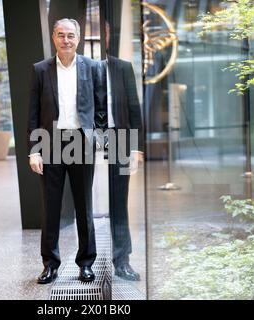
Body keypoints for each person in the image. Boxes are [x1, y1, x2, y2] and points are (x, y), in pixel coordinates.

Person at [28, 18, 106, 284]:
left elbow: (101, 109)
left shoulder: (93, 68)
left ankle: (86, 263)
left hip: (81, 143)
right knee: (51, 208)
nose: (66, 40)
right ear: (54, 38)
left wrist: (98, 138)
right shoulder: (41, 70)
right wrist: (34, 151)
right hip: (50, 143)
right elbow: (33, 114)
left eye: (70, 35)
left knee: (84, 207)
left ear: (79, 37)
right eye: (61, 35)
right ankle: (50, 264)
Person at [104, 22, 144, 281]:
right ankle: (87, 261)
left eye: (104, 31)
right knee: (85, 205)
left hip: (118, 136)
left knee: (119, 202)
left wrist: (137, 147)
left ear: (108, 36)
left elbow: (134, 108)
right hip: (83, 140)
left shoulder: (122, 68)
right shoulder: (77, 68)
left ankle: (122, 260)